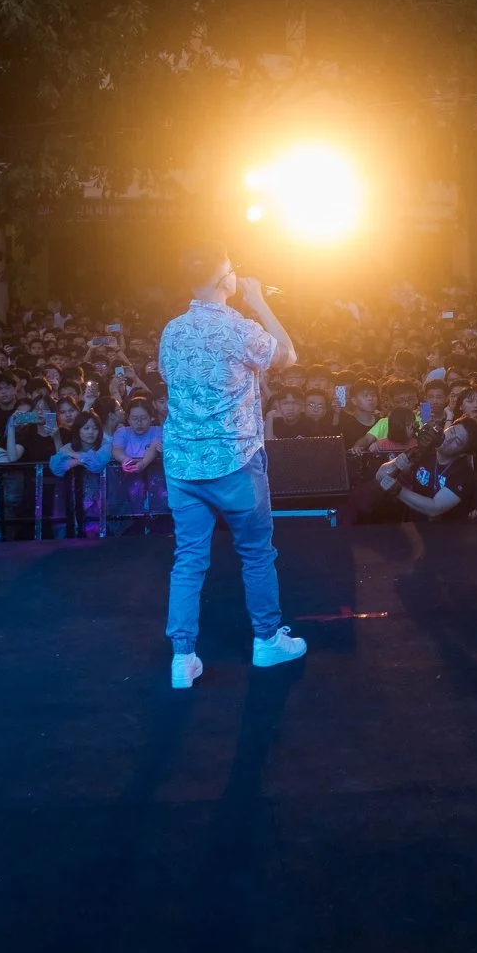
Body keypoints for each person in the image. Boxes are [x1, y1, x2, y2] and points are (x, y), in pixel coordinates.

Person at [156, 243, 306, 690]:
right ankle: (266, 641)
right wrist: (259, 300)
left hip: (183, 464)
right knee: (257, 554)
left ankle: (183, 658)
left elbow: (171, 378)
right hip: (236, 461)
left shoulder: (172, 331)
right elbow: (288, 356)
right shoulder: (240, 328)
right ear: (227, 282)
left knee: (188, 561)